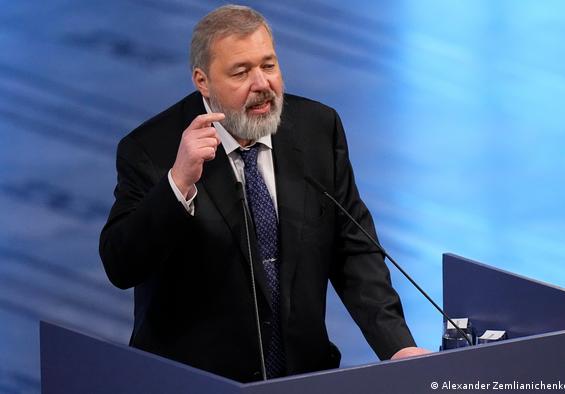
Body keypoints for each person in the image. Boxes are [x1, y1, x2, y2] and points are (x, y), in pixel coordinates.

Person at [99, 4, 428, 383]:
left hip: (304, 378)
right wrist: (177, 184)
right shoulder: (152, 149)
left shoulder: (318, 129)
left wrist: (396, 345)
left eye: (268, 66)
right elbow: (120, 265)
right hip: (198, 383)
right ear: (202, 81)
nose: (261, 84)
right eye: (241, 72)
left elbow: (353, 248)